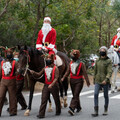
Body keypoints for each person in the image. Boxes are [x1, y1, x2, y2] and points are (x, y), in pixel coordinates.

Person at [29, 54, 61, 118]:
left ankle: (58, 110)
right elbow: (38, 74)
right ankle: (41, 114)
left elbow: (56, 78)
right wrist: (34, 72)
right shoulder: (45, 68)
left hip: (54, 86)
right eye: (46, 59)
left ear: (52, 60)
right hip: (46, 85)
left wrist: (52, 84)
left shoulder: (56, 68)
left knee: (56, 99)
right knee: (43, 99)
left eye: (49, 59)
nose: (47, 60)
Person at [61, 49, 90, 116]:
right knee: (75, 95)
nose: (72, 56)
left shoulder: (81, 64)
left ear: (77, 56)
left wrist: (87, 81)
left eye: (74, 55)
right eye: (72, 55)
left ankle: (72, 108)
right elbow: (68, 72)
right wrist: (63, 78)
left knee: (76, 94)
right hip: (72, 81)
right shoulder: (70, 63)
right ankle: (79, 107)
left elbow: (85, 73)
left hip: (79, 81)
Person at [91, 46, 112, 117]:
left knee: (105, 95)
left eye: (103, 51)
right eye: (100, 50)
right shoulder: (97, 61)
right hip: (97, 80)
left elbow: (109, 72)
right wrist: (94, 79)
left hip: (105, 81)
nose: (101, 52)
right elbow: (95, 71)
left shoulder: (108, 61)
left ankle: (105, 109)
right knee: (95, 94)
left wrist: (106, 79)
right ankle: (96, 110)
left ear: (105, 52)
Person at [0, 47, 18, 117]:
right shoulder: (2, 62)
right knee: (1, 96)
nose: (8, 54)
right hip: (3, 81)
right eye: (7, 53)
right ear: (5, 54)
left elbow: (18, 71)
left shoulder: (14, 62)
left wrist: (19, 72)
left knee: (12, 97)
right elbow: (0, 73)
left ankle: (13, 111)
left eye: (10, 53)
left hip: (12, 81)